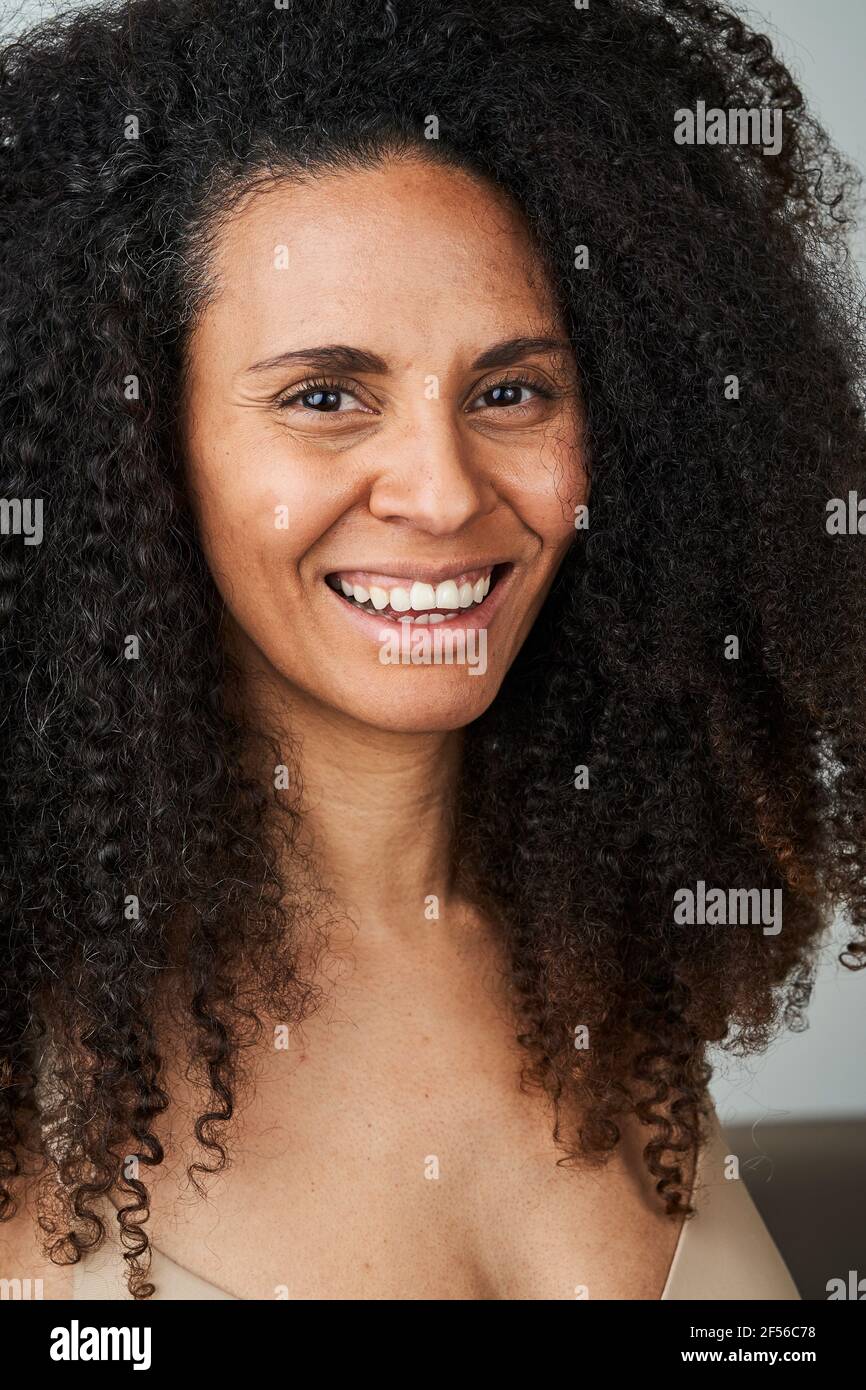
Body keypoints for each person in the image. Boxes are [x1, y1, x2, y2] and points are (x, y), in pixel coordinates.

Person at [1, 0, 863, 1300]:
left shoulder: (595, 974)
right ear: (132, 453)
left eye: (509, 390)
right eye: (324, 397)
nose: (444, 490)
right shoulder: (38, 1036)